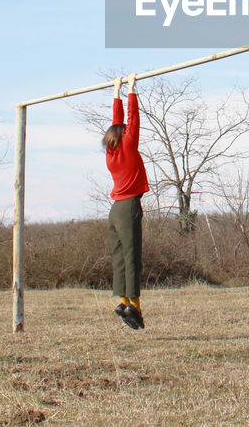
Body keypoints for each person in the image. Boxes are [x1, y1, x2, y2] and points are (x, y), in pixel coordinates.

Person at [104, 72, 148, 330]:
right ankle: (135, 308)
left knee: (119, 258)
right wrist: (131, 90)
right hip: (129, 206)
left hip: (114, 210)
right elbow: (133, 119)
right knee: (132, 257)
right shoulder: (129, 145)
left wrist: (116, 91)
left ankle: (122, 302)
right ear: (124, 135)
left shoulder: (111, 153)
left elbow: (117, 122)